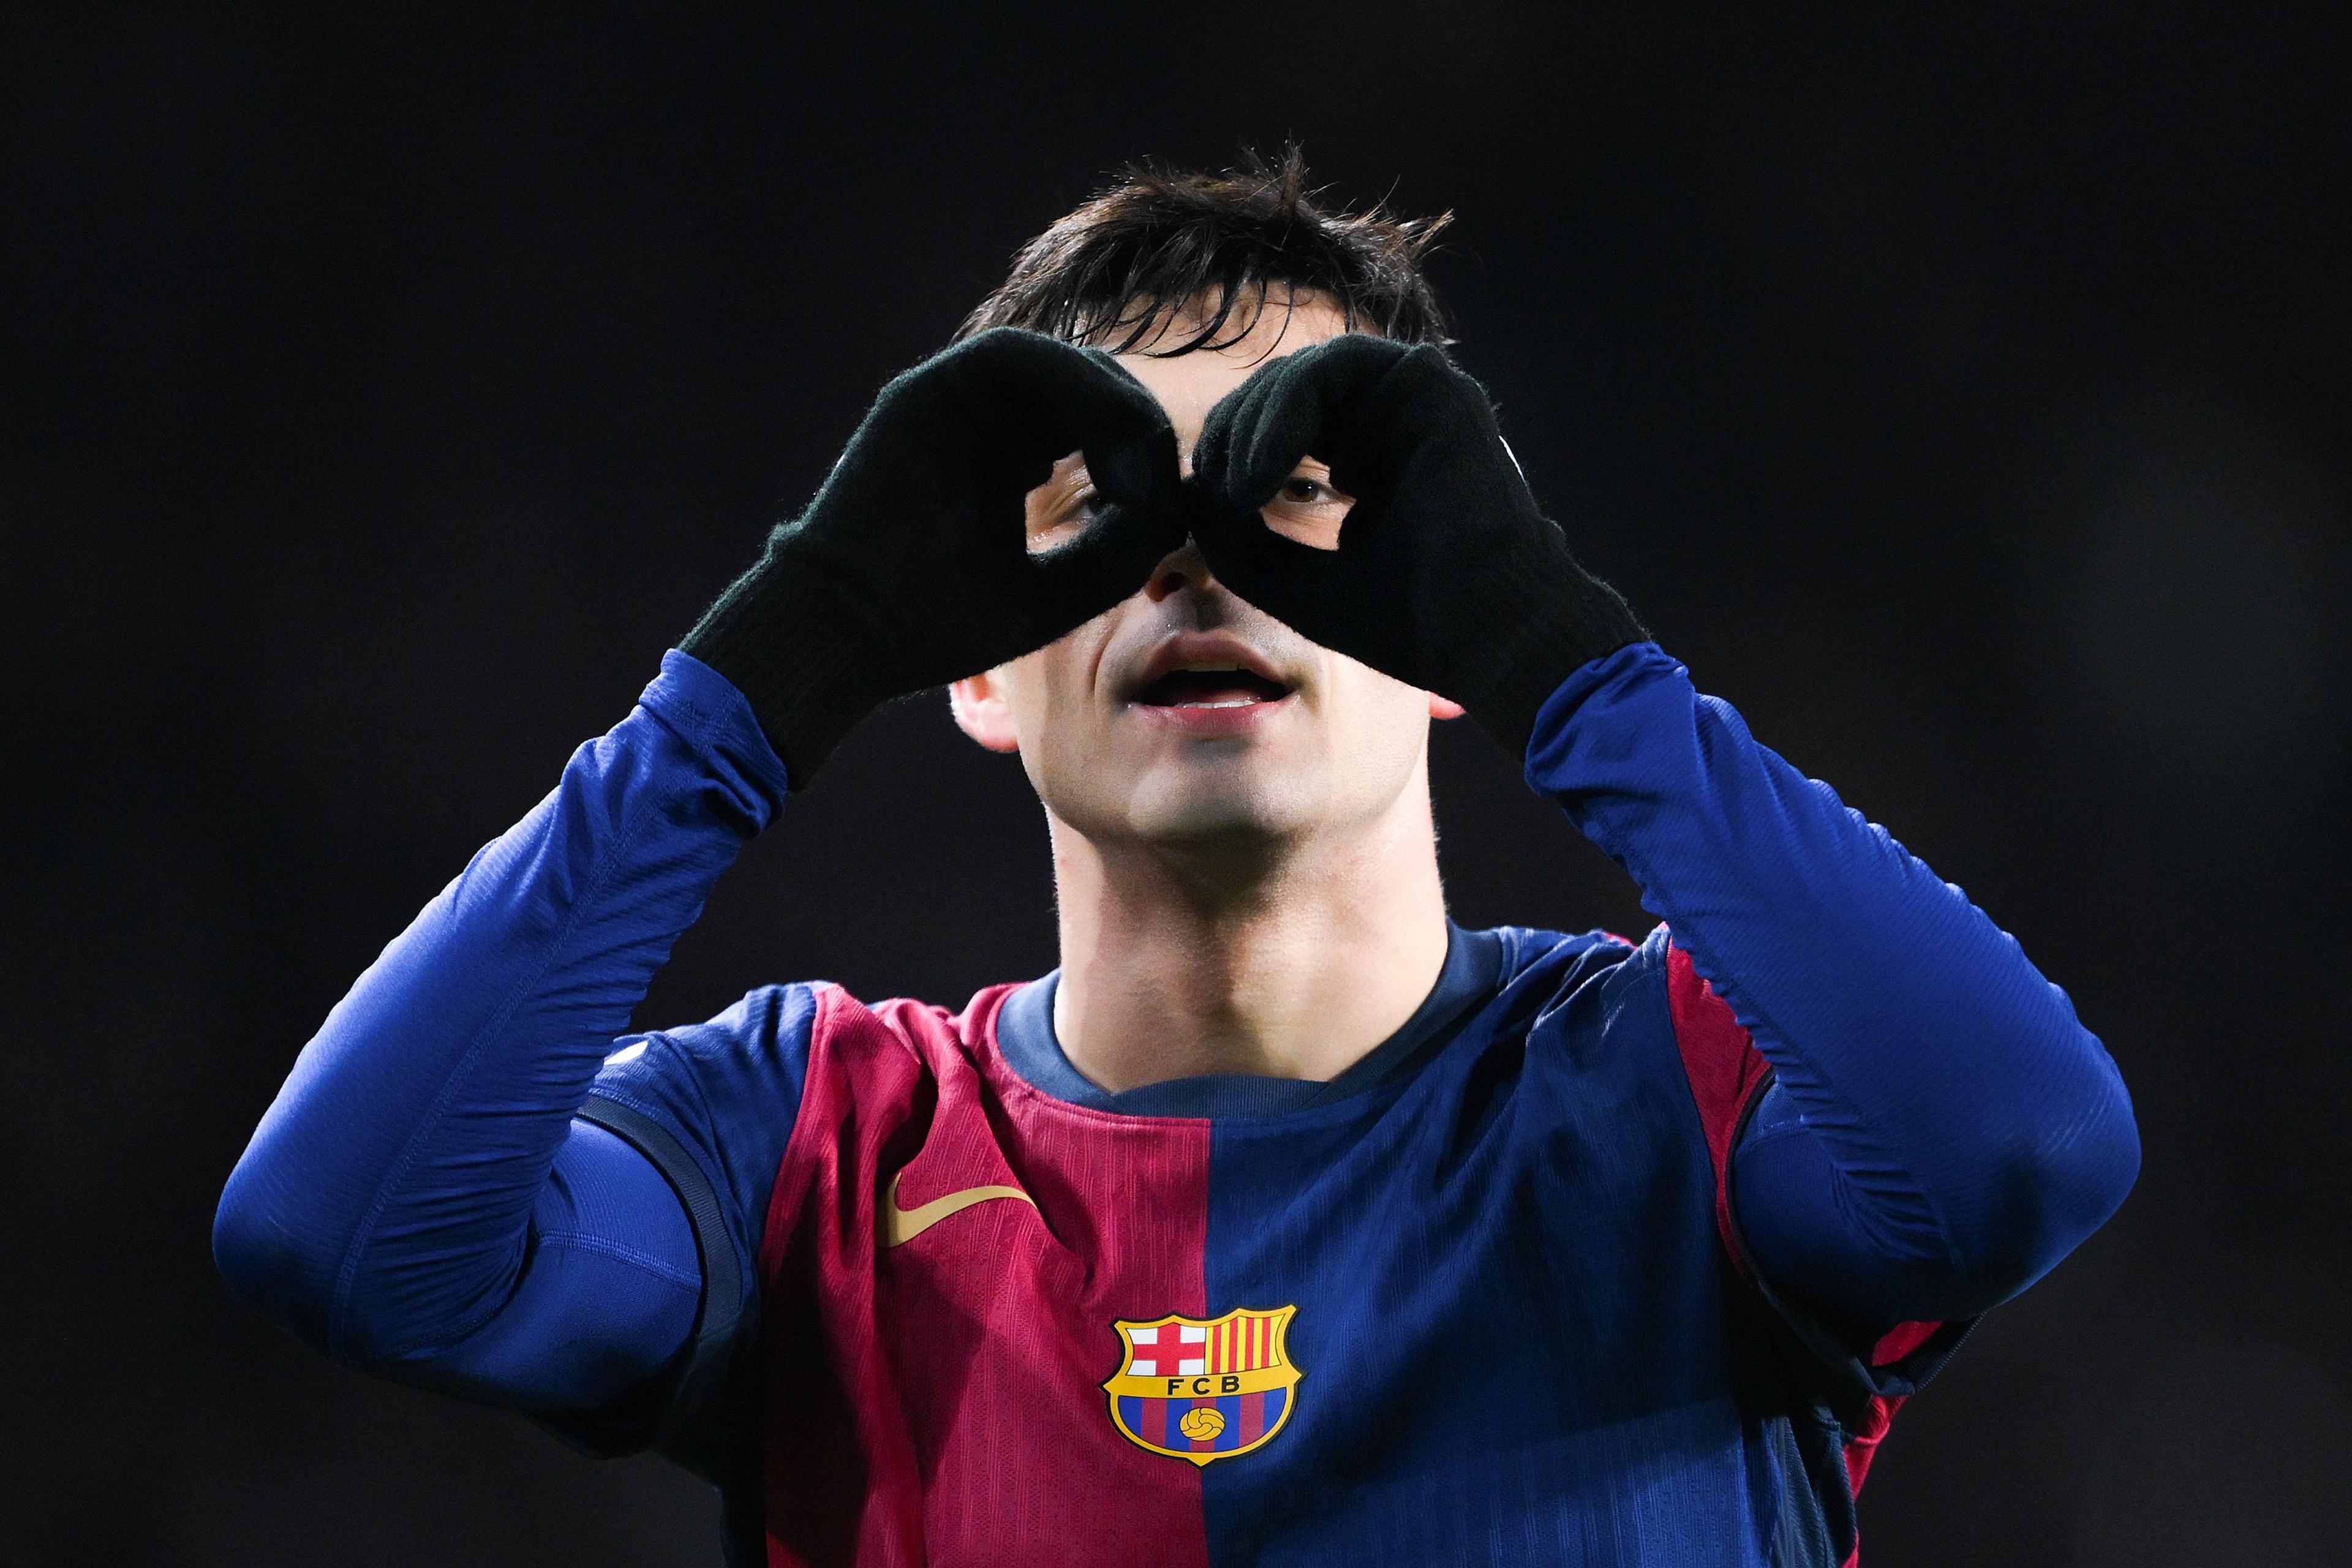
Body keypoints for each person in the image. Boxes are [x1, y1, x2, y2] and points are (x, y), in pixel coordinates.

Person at [214, 152, 2140, 1567]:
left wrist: (1574, 665)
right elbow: (350, 1242)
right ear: (975, 660)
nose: (1200, 559)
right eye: (1101, 503)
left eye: (1307, 491)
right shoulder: (810, 1143)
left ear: (1447, 626)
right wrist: (756, 684)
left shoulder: (1679, 1090)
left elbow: (2021, 1151)